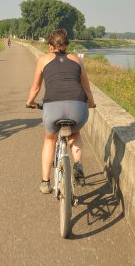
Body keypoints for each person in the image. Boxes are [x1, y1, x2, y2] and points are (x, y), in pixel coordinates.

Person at [26, 28, 96, 194]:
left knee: (50, 139)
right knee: (75, 133)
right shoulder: (78, 60)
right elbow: (87, 89)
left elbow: (35, 88)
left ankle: (45, 182)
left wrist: (29, 102)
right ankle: (77, 164)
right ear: (67, 45)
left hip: (53, 107)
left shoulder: (43, 60)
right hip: (78, 106)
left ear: (50, 46)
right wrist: (91, 104)